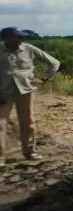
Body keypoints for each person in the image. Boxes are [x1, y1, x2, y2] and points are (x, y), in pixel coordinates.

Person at [1, 27, 60, 165]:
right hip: (3, 92)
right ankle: (0, 157)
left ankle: (30, 152)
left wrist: (45, 78)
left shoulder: (29, 49)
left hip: (26, 91)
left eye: (21, 36)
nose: (21, 39)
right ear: (6, 38)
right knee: (1, 125)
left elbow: (54, 62)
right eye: (17, 36)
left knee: (28, 124)